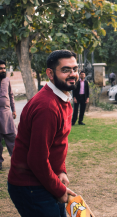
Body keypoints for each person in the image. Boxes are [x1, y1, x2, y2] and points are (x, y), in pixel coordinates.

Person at [8, 50, 77, 217]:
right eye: (66, 70)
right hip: (31, 186)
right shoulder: (47, 107)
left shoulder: (61, 99)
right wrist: (59, 189)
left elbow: (57, 143)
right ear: (50, 73)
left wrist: (60, 170)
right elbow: (37, 159)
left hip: (45, 180)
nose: (72, 74)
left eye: (74, 69)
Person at [0, 59, 16, 171]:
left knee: (12, 137)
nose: (3, 70)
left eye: (4, 68)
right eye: (1, 68)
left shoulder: (7, 80)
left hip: (7, 113)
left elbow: (11, 95)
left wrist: (14, 110)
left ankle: (16, 160)